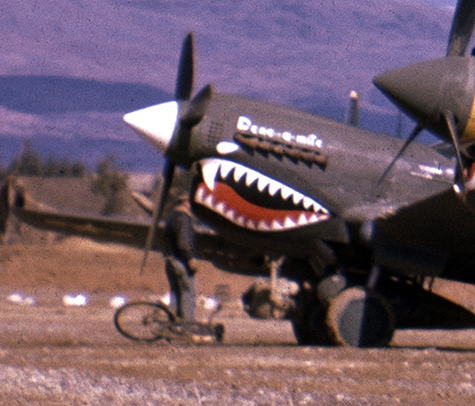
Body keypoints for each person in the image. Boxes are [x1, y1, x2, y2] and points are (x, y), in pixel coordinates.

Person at [164, 195, 199, 321]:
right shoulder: (184, 218)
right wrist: (190, 259)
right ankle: (186, 326)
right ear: (186, 203)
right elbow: (184, 243)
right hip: (181, 261)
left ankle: (172, 325)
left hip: (170, 260)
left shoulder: (172, 217)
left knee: (176, 293)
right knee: (189, 292)